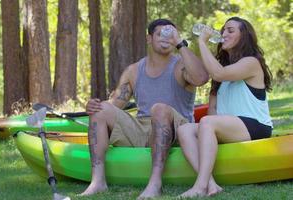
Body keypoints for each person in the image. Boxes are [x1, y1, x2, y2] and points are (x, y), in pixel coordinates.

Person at [79, 18, 208, 199]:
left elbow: (201, 78)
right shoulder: (134, 70)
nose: (166, 38)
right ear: (149, 38)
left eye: (170, 34)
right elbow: (115, 103)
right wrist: (93, 106)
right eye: (160, 33)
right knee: (100, 110)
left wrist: (180, 43)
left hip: (177, 129)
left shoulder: (181, 65)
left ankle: (155, 184)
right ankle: (98, 182)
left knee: (160, 109)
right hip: (142, 129)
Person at [177, 16, 273, 198]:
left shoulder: (251, 62)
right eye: (223, 30)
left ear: (244, 36)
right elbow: (213, 111)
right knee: (185, 130)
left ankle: (199, 186)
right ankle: (211, 184)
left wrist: (202, 43)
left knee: (207, 122)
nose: (223, 34)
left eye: (230, 30)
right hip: (230, 127)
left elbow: (218, 73)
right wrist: (208, 130)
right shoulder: (222, 69)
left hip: (256, 126)